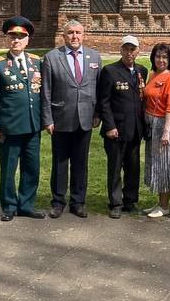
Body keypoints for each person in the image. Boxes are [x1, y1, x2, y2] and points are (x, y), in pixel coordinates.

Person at [0, 15, 45, 221]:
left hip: (33, 125)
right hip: (9, 127)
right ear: (7, 38)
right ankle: (9, 206)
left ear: (27, 40)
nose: (16, 40)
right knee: (9, 169)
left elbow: (41, 93)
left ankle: (26, 205)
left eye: (20, 37)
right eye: (12, 36)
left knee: (32, 168)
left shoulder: (37, 62)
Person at [41, 19, 101, 218]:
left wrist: (97, 114)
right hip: (61, 118)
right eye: (70, 33)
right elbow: (46, 91)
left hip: (85, 118)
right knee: (60, 162)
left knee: (80, 162)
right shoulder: (51, 57)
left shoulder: (94, 56)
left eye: (78, 32)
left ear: (84, 35)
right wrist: (48, 119)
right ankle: (58, 202)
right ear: (64, 35)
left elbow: (98, 88)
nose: (75, 36)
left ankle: (78, 202)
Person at [96, 34, 148, 218]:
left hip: (135, 129)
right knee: (115, 168)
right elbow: (104, 101)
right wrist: (109, 126)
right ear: (121, 50)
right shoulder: (110, 71)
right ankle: (116, 203)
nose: (129, 53)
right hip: (116, 129)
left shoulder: (142, 70)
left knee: (133, 167)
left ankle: (130, 201)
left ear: (138, 51)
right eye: (126, 49)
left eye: (132, 49)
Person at [142, 41, 170, 217]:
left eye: (165, 57)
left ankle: (165, 206)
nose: (161, 60)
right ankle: (159, 203)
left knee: (165, 165)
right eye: (158, 56)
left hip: (164, 125)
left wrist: (166, 131)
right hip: (151, 125)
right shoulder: (153, 75)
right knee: (156, 164)